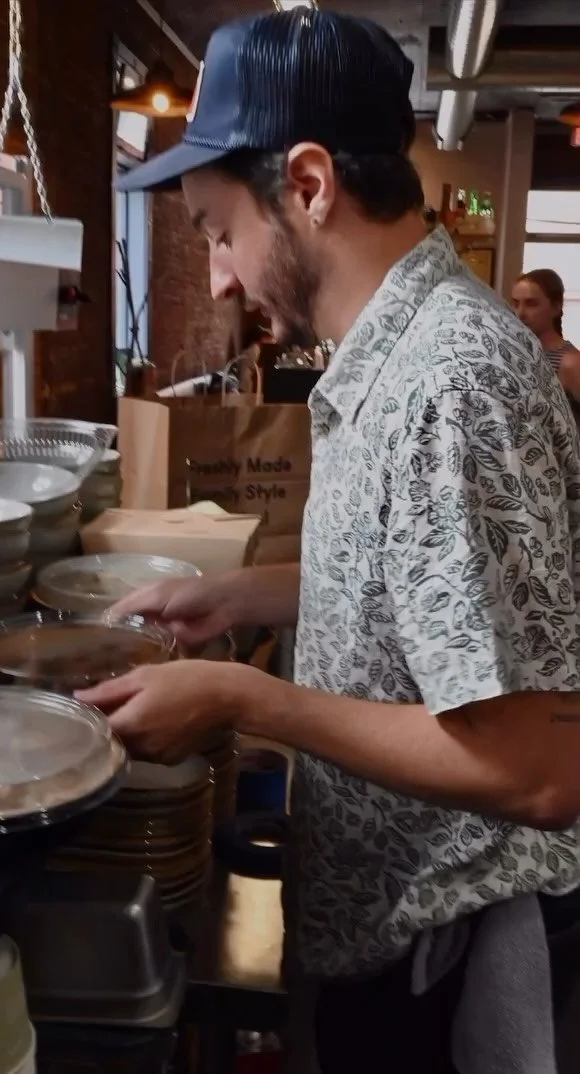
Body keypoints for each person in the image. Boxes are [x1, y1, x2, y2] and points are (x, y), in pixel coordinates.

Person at [81, 9, 580, 1071]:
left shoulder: (450, 385)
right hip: (385, 924)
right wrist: (241, 596)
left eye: (219, 231)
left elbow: (539, 766)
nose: (219, 275)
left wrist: (241, 698)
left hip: (441, 956)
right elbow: (419, 592)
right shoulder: (388, 360)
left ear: (307, 185)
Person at [512, 268, 580, 400]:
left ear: (556, 307)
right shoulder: (517, 355)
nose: (520, 313)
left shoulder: (571, 363)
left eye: (531, 304)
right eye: (516, 304)